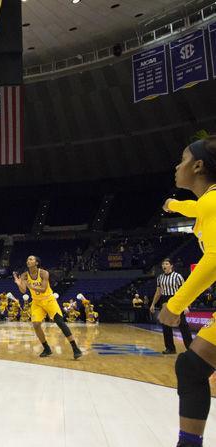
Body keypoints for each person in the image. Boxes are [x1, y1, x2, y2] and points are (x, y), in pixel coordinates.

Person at [159, 136, 216, 447]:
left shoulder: (213, 201)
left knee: (191, 367)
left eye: (182, 159)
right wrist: (173, 204)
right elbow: (196, 208)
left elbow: (215, 258)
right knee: (191, 366)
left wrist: (176, 304)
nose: (176, 165)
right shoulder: (208, 201)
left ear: (197, 165)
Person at [13, 256, 82, 359]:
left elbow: (43, 289)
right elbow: (23, 290)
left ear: (36, 262)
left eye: (31, 259)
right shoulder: (24, 275)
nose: (28, 261)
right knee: (36, 325)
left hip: (49, 300)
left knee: (60, 322)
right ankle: (46, 348)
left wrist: (30, 286)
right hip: (36, 302)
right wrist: (19, 284)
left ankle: (75, 347)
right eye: (27, 259)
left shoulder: (43, 273)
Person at [151, 258, 193, 354]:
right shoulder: (160, 278)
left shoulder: (177, 276)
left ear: (171, 265)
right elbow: (158, 292)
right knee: (165, 325)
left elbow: (184, 291)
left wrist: (186, 305)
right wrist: (153, 304)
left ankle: (190, 348)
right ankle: (170, 348)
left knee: (183, 324)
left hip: (176, 299)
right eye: (163, 264)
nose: (164, 266)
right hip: (165, 300)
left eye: (166, 263)